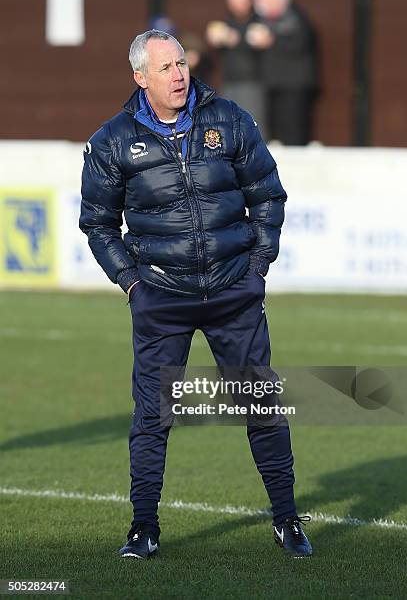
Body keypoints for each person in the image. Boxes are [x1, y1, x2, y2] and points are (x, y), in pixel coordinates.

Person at [79, 29, 312, 559]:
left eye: (181, 63)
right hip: (160, 297)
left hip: (235, 292)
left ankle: (287, 520)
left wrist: (257, 267)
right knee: (152, 417)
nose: (178, 74)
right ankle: (143, 527)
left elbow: (267, 195)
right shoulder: (113, 140)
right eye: (164, 68)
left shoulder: (229, 119)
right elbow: (97, 223)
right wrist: (132, 283)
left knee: (262, 407)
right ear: (140, 77)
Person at [254, 0, 319, 145]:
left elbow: (300, 44)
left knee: (294, 128)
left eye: (264, 2)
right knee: (277, 129)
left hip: (294, 85)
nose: (261, 6)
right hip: (273, 84)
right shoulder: (264, 21)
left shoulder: (295, 18)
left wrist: (272, 40)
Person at [206, 0, 272, 139]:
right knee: (230, 124)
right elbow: (213, 45)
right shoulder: (224, 24)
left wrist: (261, 39)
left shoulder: (260, 22)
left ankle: (259, 160)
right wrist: (215, 40)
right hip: (230, 81)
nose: (237, 4)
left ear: (249, 0)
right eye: (233, 0)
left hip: (253, 82)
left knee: (254, 124)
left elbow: (269, 43)